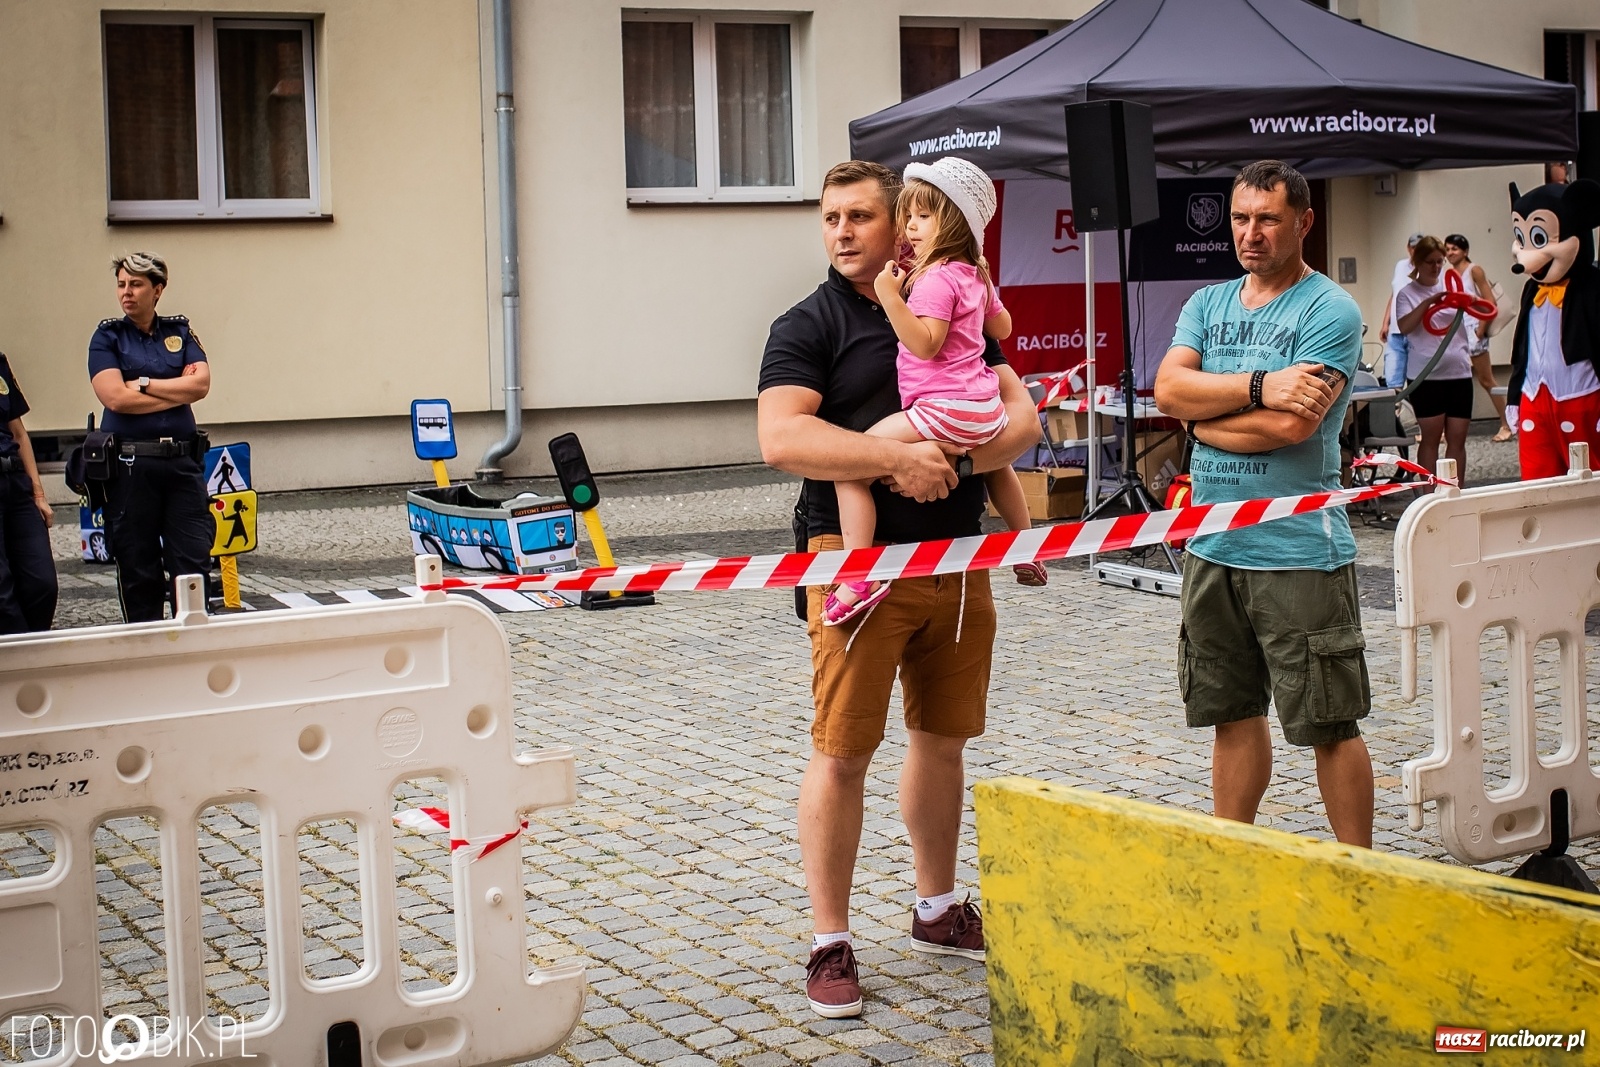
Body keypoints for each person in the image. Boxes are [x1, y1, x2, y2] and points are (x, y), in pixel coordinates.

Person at [757, 160, 1039, 1018]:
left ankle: (937, 905)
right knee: (842, 753)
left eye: (861, 216)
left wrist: (949, 460)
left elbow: (1021, 420)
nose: (842, 231)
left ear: (910, 222)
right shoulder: (805, 324)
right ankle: (829, 940)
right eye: (830, 217)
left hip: (955, 558)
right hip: (854, 561)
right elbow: (782, 437)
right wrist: (892, 458)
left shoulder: (948, 297)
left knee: (944, 740)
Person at [1152, 159, 1374, 849]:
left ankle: (1361, 875)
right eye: (1241, 218)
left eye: (1268, 219)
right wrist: (1259, 386)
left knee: (1329, 723)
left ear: (1303, 222)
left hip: (1300, 548)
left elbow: (1294, 426)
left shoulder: (1328, 309)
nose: (1250, 233)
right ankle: (1234, 862)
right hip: (1213, 543)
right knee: (1230, 713)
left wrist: (1205, 414)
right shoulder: (1207, 303)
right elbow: (1167, 391)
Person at [826, 157, 1040, 625]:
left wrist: (890, 298)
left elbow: (925, 343)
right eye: (910, 215)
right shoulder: (975, 273)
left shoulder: (934, 279)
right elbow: (1002, 325)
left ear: (954, 223)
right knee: (998, 465)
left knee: (851, 466)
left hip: (942, 408)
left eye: (924, 216)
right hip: (984, 405)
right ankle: (1026, 547)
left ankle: (858, 575)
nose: (912, 226)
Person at [88, 252, 214, 622]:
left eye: (136, 284)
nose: (126, 293)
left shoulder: (179, 333)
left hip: (182, 465)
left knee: (191, 560)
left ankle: (192, 644)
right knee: (138, 565)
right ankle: (145, 648)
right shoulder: (107, 337)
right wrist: (176, 391)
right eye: (121, 284)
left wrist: (143, 384)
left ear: (157, 290)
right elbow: (114, 398)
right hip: (131, 468)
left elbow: (201, 384)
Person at [1396, 236, 1475, 484]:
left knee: (1458, 437)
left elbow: (1482, 309)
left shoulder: (1453, 288)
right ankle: (1428, 495)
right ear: (1417, 262)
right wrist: (1429, 303)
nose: (1436, 267)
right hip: (1427, 376)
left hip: (1459, 372)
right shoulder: (1407, 294)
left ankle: (1454, 491)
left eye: (1440, 262)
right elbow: (1405, 326)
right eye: (1430, 262)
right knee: (1430, 437)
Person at [0, 352, 57, 633]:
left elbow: (19, 433)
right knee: (2, 593)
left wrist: (38, 494)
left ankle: (31, 649)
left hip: (15, 482)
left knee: (42, 584)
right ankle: (19, 667)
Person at [1444, 234, 1511, 442]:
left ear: (1465, 251)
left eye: (1454, 249)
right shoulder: (1449, 273)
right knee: (1451, 379)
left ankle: (1507, 423)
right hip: (1458, 330)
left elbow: (1489, 301)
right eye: (1447, 249)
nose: (1450, 253)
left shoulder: (1474, 270)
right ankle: (1445, 431)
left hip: (1474, 329)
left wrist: (1481, 329)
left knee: (1486, 378)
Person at [1376, 232, 1423, 388]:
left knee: (1418, 381)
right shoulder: (1401, 266)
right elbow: (1394, 295)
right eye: (1414, 247)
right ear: (1408, 248)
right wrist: (1385, 323)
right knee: (1392, 382)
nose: (1416, 250)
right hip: (1395, 332)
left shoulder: (1430, 268)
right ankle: (1394, 411)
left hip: (1417, 333)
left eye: (1421, 247)